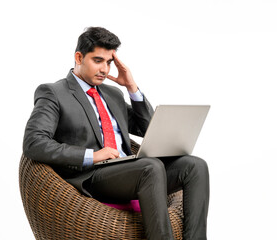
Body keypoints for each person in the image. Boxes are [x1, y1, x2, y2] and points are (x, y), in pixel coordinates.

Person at [23, 27, 209, 240]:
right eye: (98, 60)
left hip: (132, 170)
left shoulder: (113, 94)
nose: (104, 69)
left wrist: (132, 88)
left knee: (195, 166)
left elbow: (147, 127)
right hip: (93, 175)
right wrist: (92, 156)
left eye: (109, 62)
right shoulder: (54, 93)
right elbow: (34, 142)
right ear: (79, 57)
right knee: (151, 167)